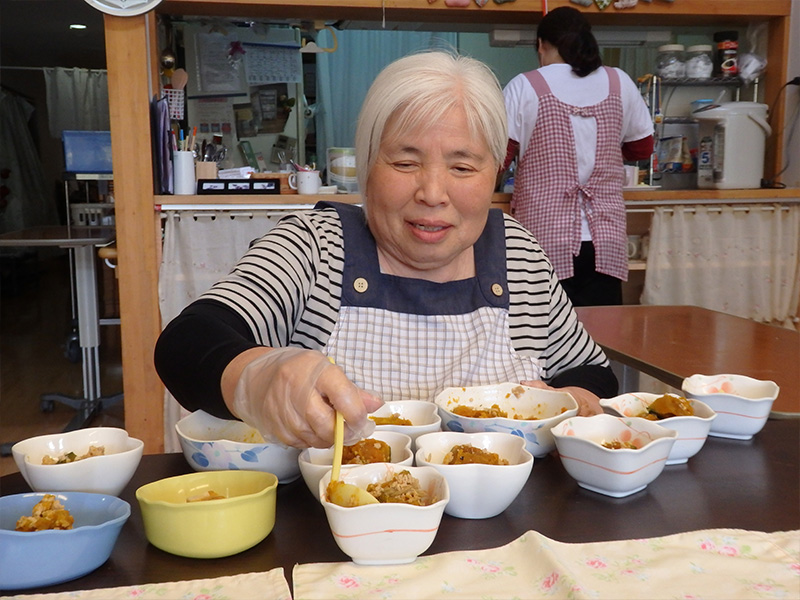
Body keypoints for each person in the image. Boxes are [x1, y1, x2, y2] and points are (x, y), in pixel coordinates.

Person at [154, 50, 618, 450]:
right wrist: (256, 379)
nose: (433, 192)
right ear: (367, 163)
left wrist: (572, 399)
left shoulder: (514, 251)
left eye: (462, 166)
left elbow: (590, 370)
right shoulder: (317, 245)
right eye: (404, 162)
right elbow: (186, 343)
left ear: (493, 172)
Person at [502, 6, 654, 306]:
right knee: (603, 336)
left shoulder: (525, 86)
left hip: (543, 236)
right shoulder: (619, 81)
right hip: (605, 237)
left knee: (545, 337)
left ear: (541, 45)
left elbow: (496, 157)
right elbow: (642, 148)